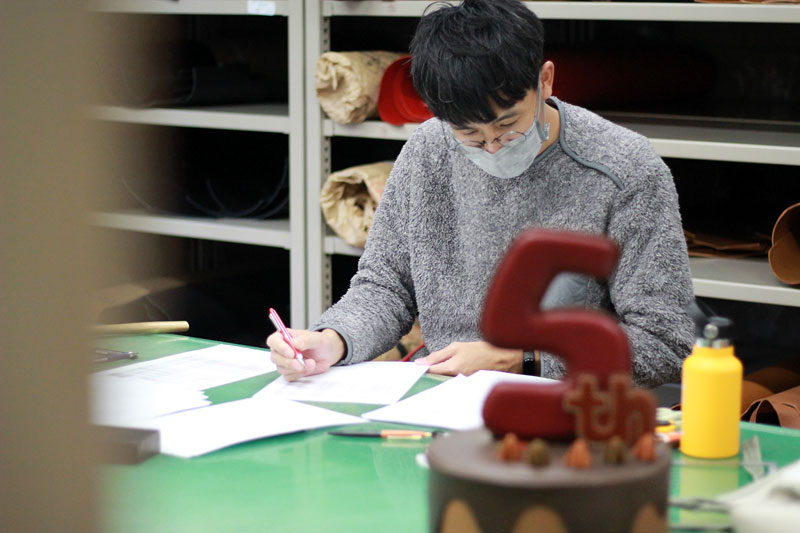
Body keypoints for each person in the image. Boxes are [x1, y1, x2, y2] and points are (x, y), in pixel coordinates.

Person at [268, 0, 695, 388]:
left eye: (508, 125)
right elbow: (386, 286)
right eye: (470, 134)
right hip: (447, 397)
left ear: (545, 80)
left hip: (575, 408)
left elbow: (665, 342)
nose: (492, 146)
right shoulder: (428, 150)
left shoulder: (624, 169)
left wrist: (523, 361)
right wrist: (335, 339)